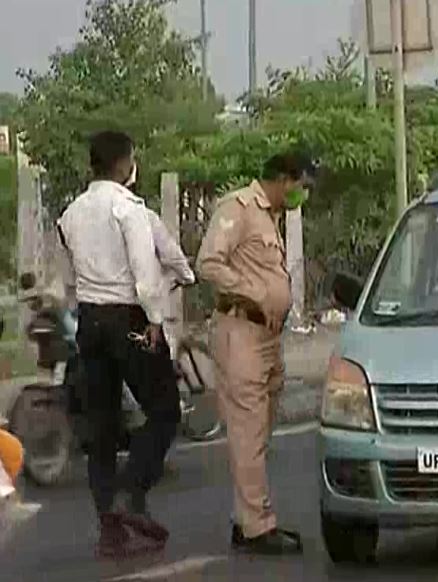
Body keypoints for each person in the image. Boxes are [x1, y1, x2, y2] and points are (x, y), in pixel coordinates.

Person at [58, 131, 181, 558]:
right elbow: (144, 272)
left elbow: (70, 275)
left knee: (102, 427)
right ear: (125, 164)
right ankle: (132, 491)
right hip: (128, 317)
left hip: (90, 320)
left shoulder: (70, 213)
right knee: (165, 411)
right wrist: (154, 320)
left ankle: (110, 531)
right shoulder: (127, 209)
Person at [197, 151, 316, 556]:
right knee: (248, 431)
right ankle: (257, 525)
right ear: (284, 179)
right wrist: (253, 293)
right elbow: (208, 264)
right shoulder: (239, 209)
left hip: (267, 337)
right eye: (302, 185)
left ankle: (244, 517)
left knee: (259, 432)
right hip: (241, 330)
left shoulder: (270, 217)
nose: (303, 194)